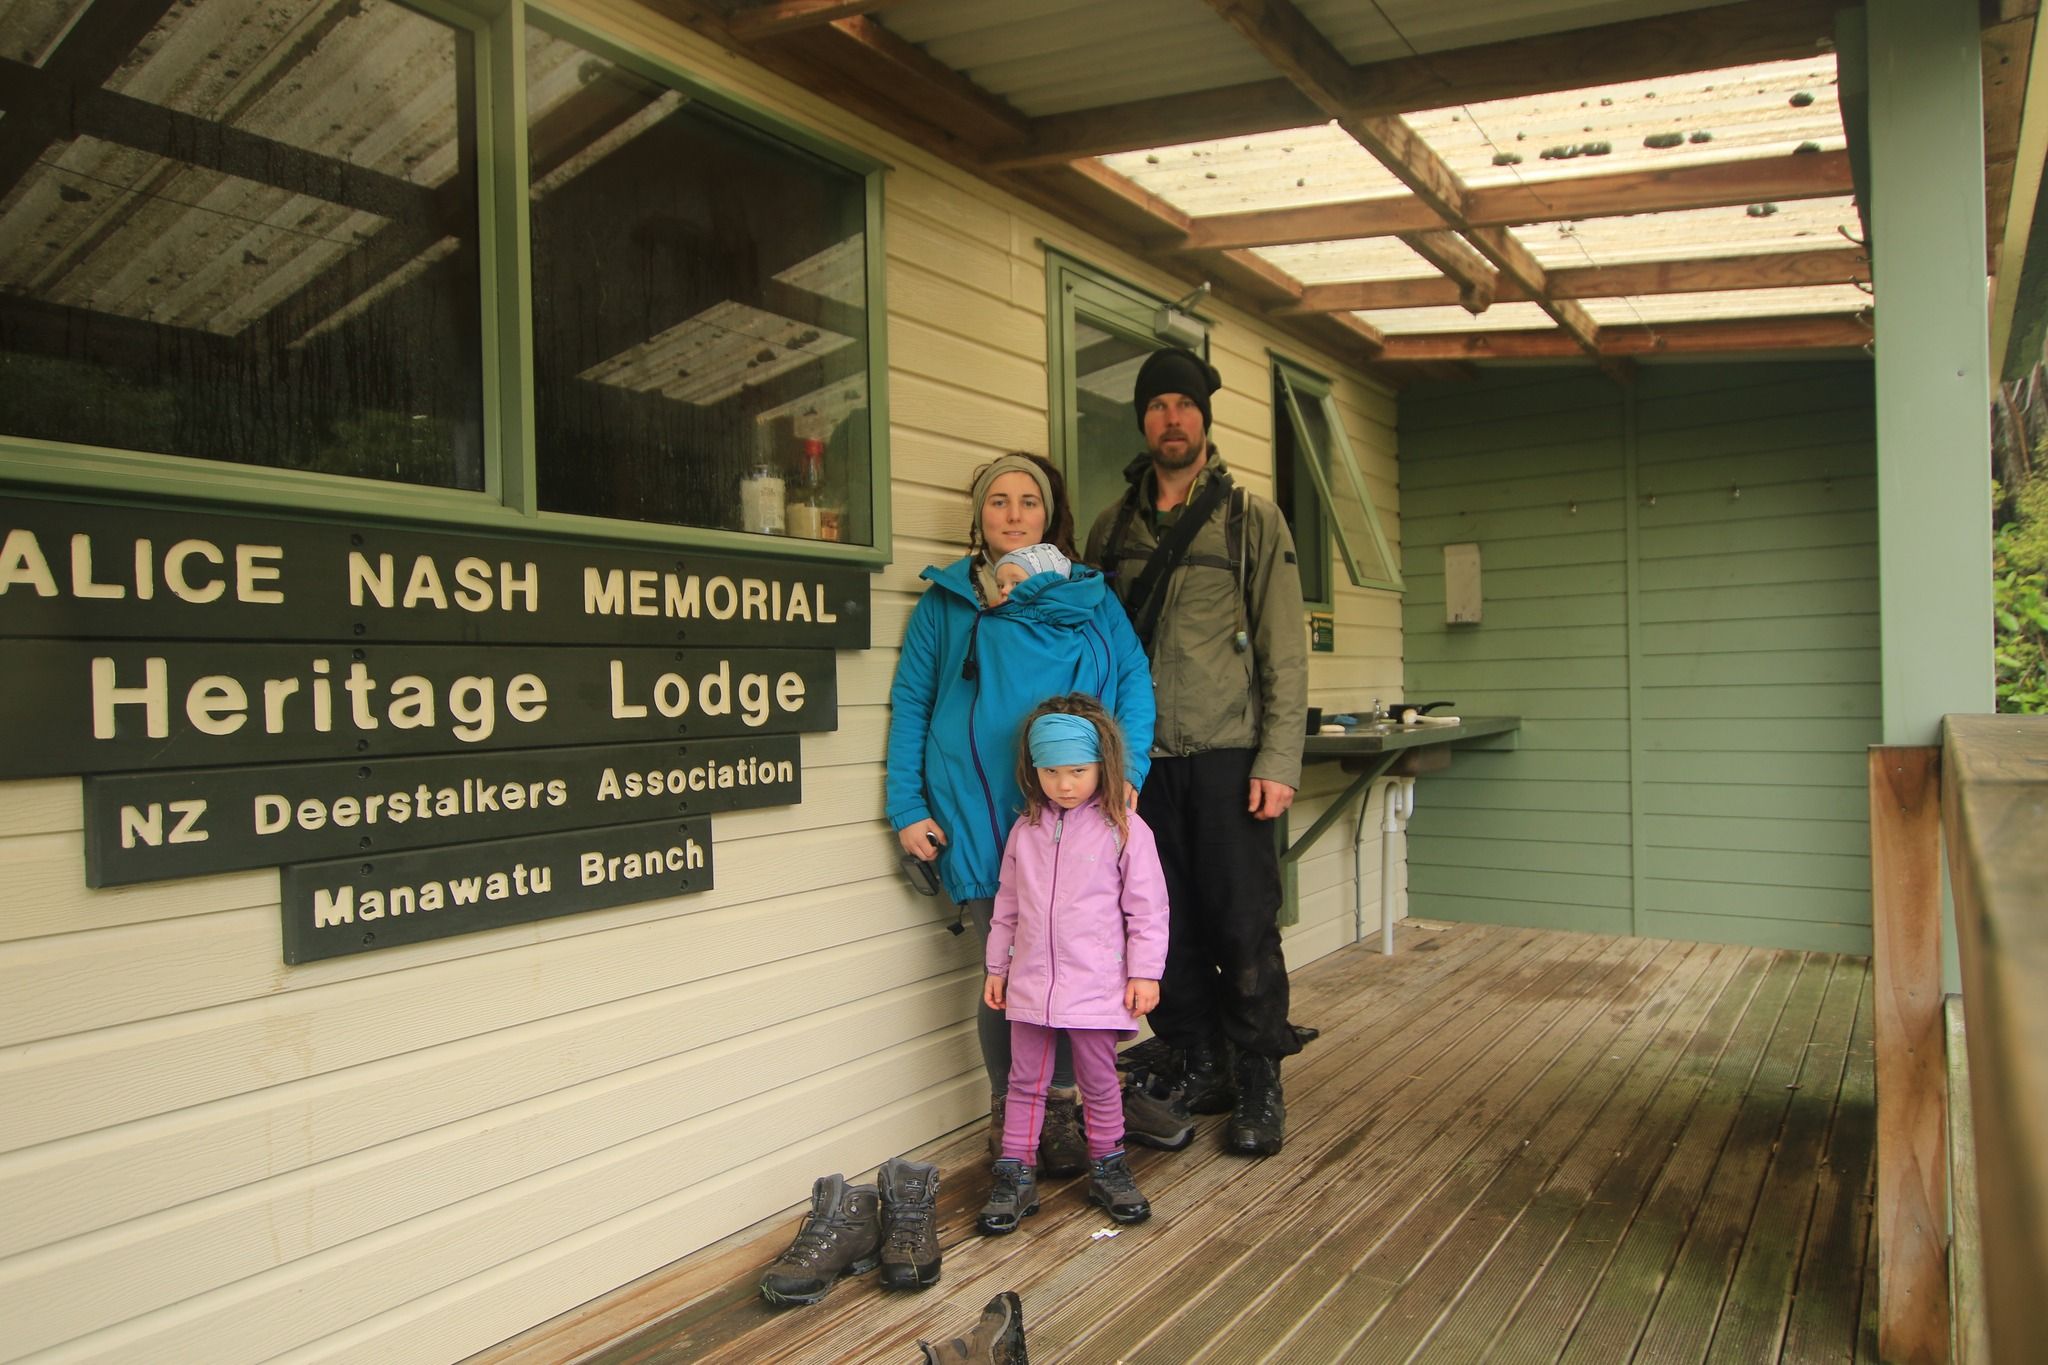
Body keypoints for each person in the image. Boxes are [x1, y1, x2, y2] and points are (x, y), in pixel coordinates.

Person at [885, 453, 1156, 1175]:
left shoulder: (1092, 599)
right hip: (978, 814)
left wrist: (1129, 772)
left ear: (1050, 515)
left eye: (1027, 501)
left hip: (1080, 816)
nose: (1012, 513)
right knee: (1008, 973)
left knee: (1080, 965)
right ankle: (1016, 1117)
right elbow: (912, 704)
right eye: (997, 501)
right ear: (980, 516)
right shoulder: (948, 603)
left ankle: (1066, 1107)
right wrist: (907, 805)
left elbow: (1133, 682)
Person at [1084, 346, 1309, 1157]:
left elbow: (1284, 649)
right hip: (1141, 766)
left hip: (1227, 756)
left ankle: (1257, 1072)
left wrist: (1279, 757)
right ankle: (1200, 1055)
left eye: (1184, 403)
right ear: (1142, 421)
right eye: (1156, 405)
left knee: (1242, 922)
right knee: (1159, 925)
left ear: (1204, 419)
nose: (1170, 418)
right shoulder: (1111, 530)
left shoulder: (1252, 520)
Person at [977, 695, 1168, 1234]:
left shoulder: (1125, 828)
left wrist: (1144, 972)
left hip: (1098, 985)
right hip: (1032, 985)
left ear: (1101, 765)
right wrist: (998, 967)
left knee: (1100, 1080)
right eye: (1051, 772)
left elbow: (1148, 908)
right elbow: (1007, 905)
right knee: (1025, 1081)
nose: (1064, 784)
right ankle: (1016, 1171)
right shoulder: (1026, 830)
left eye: (1077, 771)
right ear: (1033, 770)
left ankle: (1109, 1164)